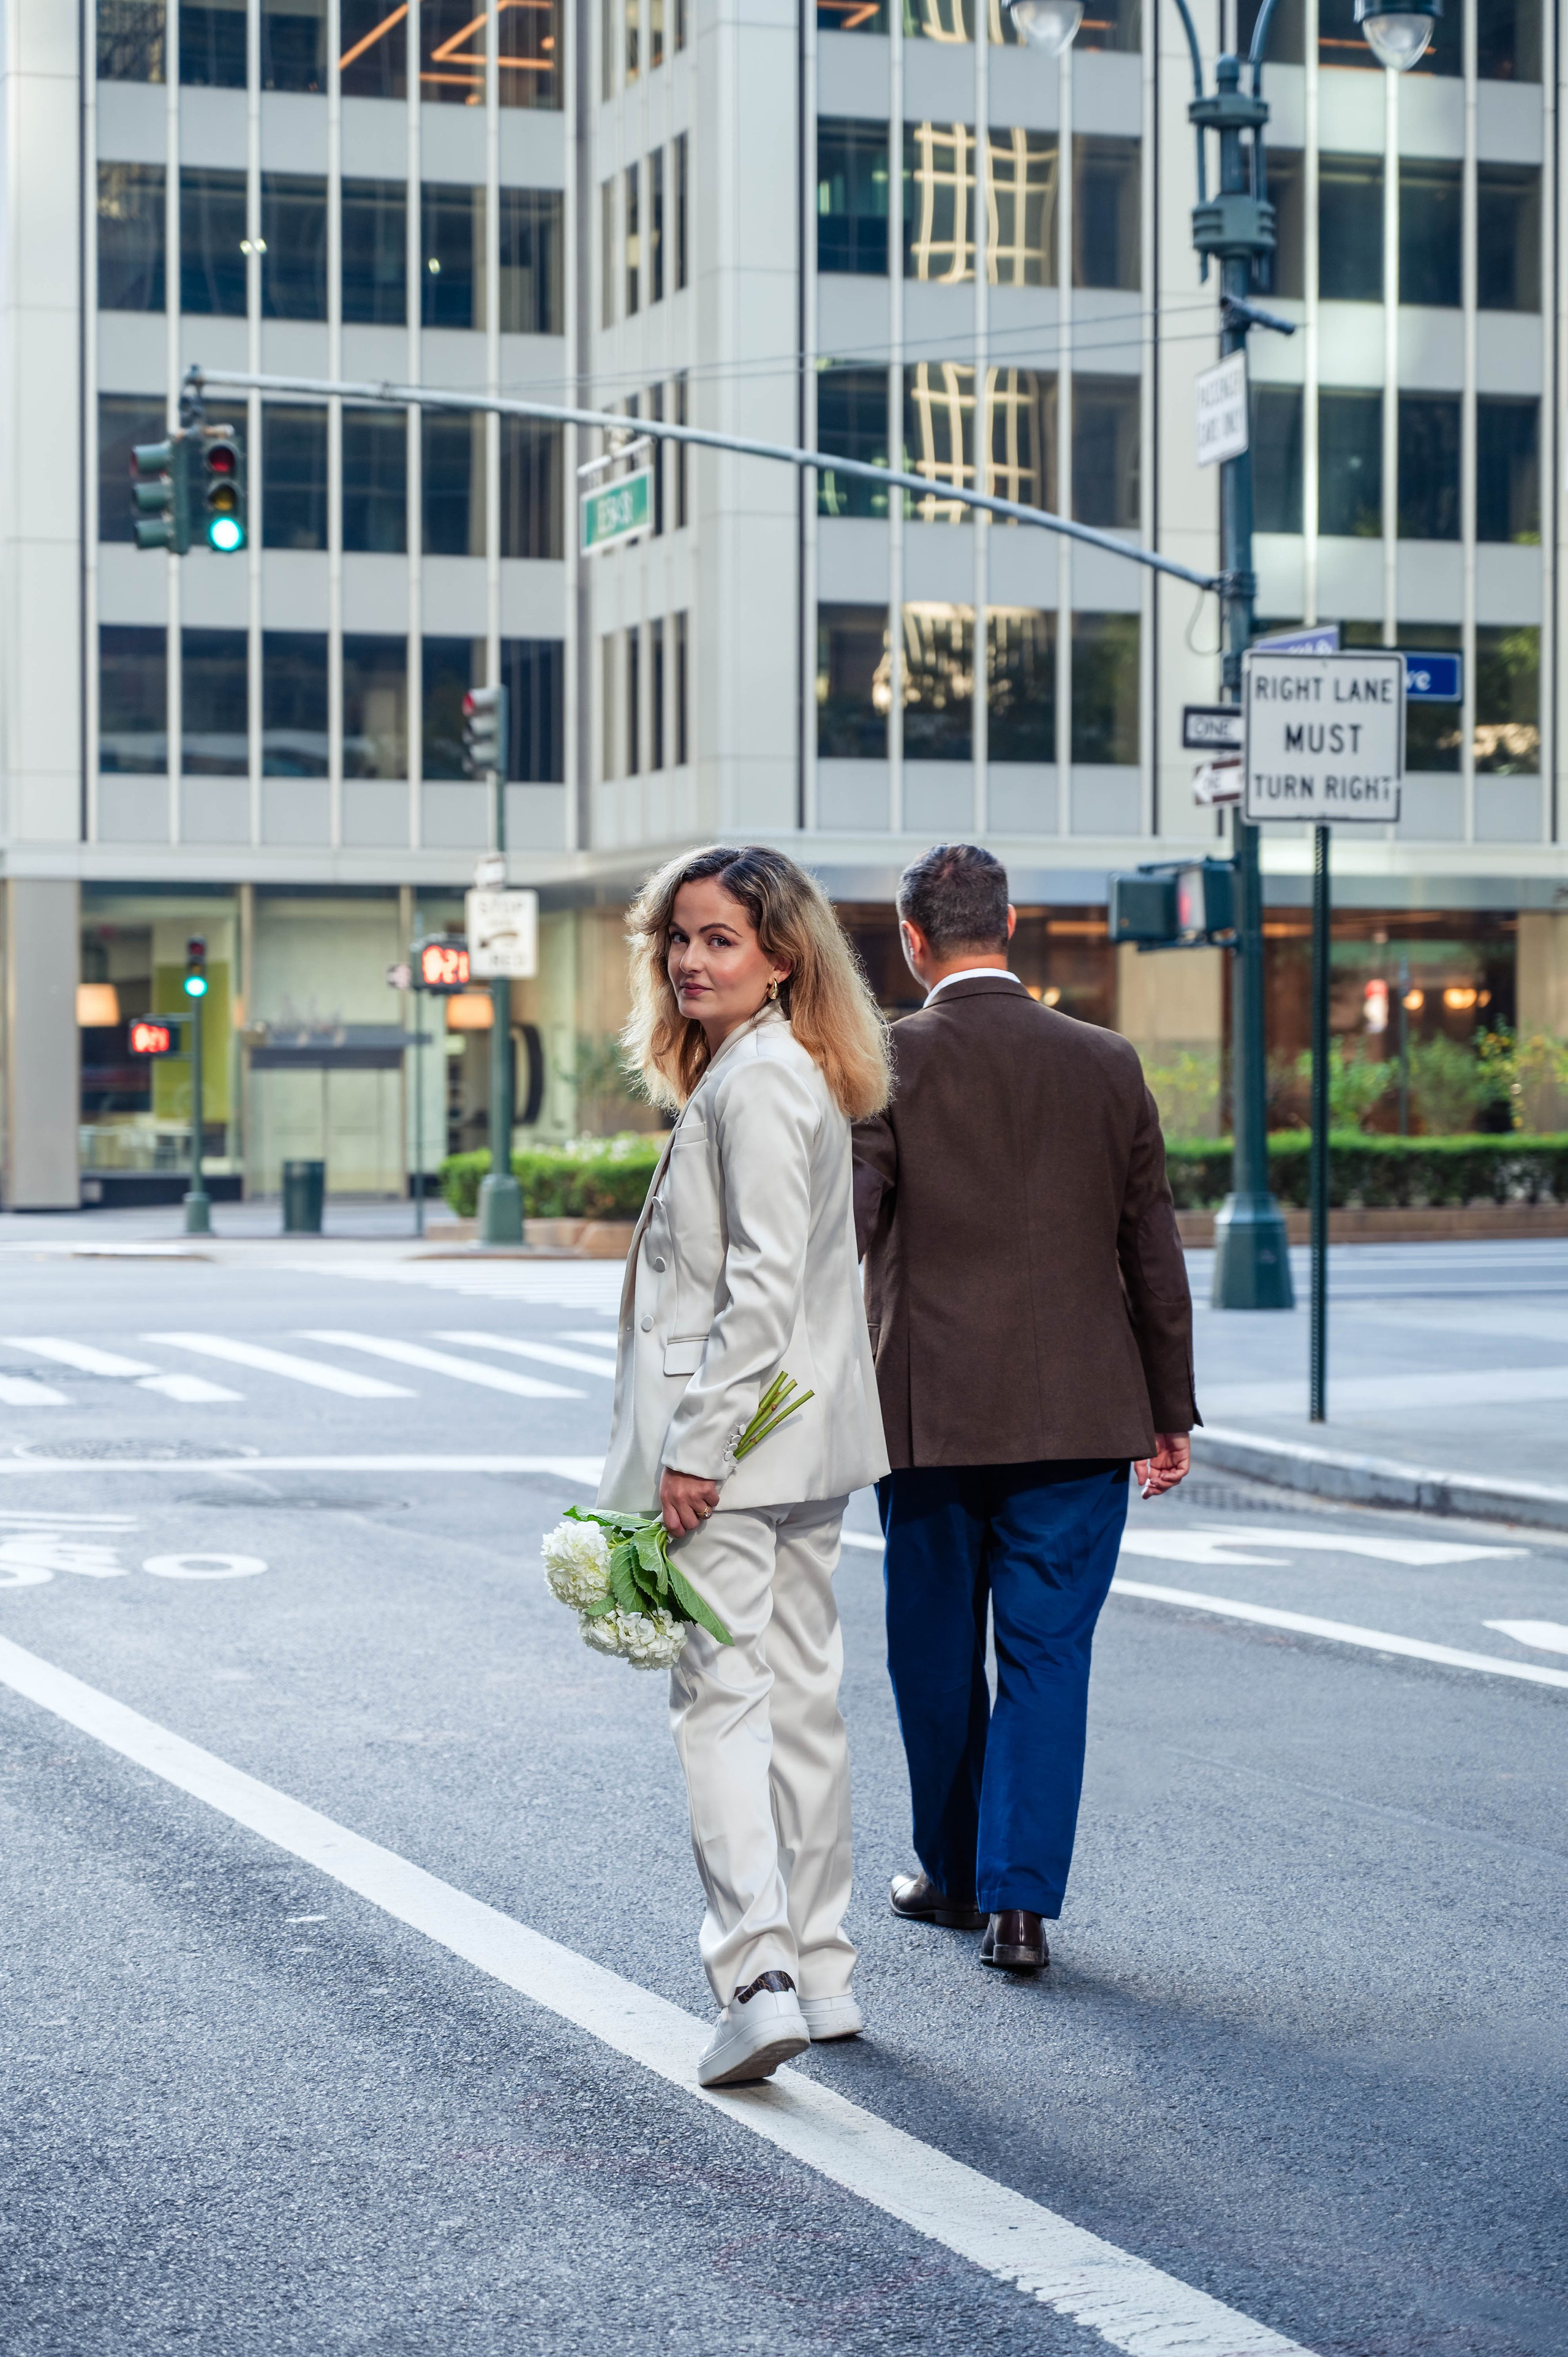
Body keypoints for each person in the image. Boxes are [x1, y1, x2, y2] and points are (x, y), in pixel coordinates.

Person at [853, 843, 1197, 1976]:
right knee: (1049, 1657)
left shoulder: (885, 1060)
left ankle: (953, 1877)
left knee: (934, 1655)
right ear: (1011, 924)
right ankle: (1020, 1909)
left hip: (929, 1420)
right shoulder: (1106, 1060)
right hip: (1082, 1417)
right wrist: (1168, 1409)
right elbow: (1151, 1248)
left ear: (914, 940)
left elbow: (842, 1228)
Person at [599, 843, 891, 2087]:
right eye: (678, 937)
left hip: (735, 1450)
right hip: (802, 1443)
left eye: (719, 938)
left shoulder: (758, 1082)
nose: (688, 960)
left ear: (780, 957)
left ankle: (756, 1978)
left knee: (720, 1704)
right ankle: (819, 1973)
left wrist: (695, 1449)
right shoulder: (777, 1069)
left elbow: (761, 1287)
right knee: (801, 1705)